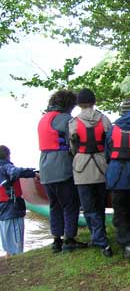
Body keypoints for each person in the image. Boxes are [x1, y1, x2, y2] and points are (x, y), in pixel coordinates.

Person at [38, 89, 88, 253]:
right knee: (70, 204)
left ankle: (56, 241)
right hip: (61, 167)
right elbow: (75, 140)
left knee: (54, 206)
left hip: (45, 168)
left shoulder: (43, 119)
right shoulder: (65, 119)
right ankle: (69, 239)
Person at [68, 88, 113, 257]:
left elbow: (73, 147)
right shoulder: (104, 119)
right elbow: (110, 143)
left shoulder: (73, 122)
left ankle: (101, 240)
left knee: (88, 207)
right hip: (102, 166)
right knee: (100, 205)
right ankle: (99, 237)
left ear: (79, 104)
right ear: (94, 102)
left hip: (82, 168)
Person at [105, 98, 130, 259]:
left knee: (120, 212)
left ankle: (127, 244)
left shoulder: (112, 131)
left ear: (122, 113)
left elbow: (108, 154)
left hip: (116, 176)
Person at [0, 145, 37, 256]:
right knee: (17, 241)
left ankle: (9, 256)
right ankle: (17, 258)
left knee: (7, 241)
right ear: (8, 156)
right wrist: (32, 172)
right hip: (11, 207)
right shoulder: (5, 166)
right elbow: (14, 172)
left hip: (2, 209)